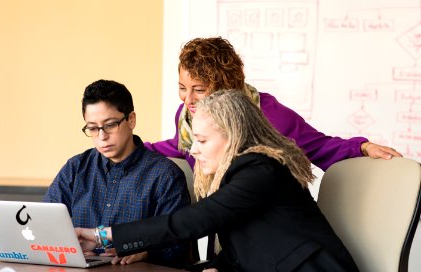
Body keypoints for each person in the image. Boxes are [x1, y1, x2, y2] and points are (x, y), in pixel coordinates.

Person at [76, 90, 363, 272]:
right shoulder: (240, 172)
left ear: (233, 134)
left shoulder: (260, 168)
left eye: (200, 140)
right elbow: (255, 238)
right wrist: (216, 266)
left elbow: (196, 220)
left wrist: (103, 235)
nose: (194, 150)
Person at [144, 37, 402, 171]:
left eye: (199, 90)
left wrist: (363, 147)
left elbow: (319, 146)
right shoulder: (188, 117)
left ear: (225, 86)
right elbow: (180, 147)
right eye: (182, 88)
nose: (188, 99)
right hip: (227, 227)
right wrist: (132, 148)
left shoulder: (269, 115)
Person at [44, 79, 192, 268]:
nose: (102, 136)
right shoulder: (76, 168)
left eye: (110, 125)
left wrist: (146, 250)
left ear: (131, 120)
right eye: (92, 128)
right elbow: (47, 223)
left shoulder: (164, 175)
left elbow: (178, 246)